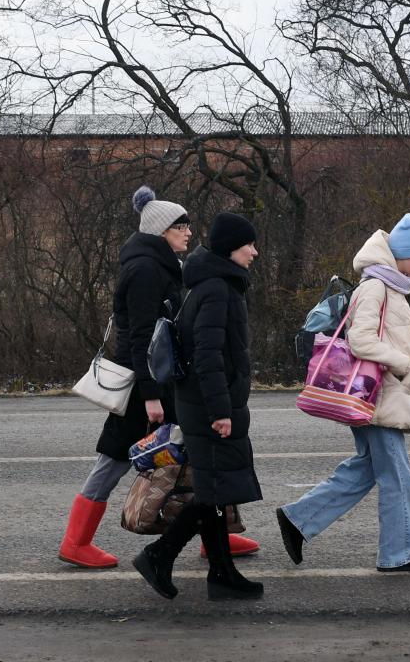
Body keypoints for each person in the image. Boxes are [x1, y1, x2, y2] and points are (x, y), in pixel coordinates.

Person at [58, 187, 259, 568]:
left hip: (162, 382)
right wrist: (150, 395)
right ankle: (75, 541)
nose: (187, 232)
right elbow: (141, 336)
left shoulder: (165, 265)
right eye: (179, 226)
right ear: (160, 231)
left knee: (198, 456)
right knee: (115, 459)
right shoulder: (145, 270)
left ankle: (215, 537)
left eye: (187, 225)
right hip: (142, 387)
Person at [275, 213, 410, 573]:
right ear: (403, 254)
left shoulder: (387, 285)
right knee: (396, 474)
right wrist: (402, 365)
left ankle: (298, 519)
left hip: (379, 394)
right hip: (376, 395)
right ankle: (401, 554)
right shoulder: (376, 287)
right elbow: (361, 340)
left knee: (368, 468)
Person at [133, 212, 265, 600]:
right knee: (213, 491)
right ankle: (159, 554)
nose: (255, 252)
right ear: (230, 248)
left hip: (205, 403)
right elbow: (207, 357)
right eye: (249, 245)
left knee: (216, 489)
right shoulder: (216, 290)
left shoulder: (215, 284)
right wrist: (221, 411)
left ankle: (222, 574)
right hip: (209, 407)